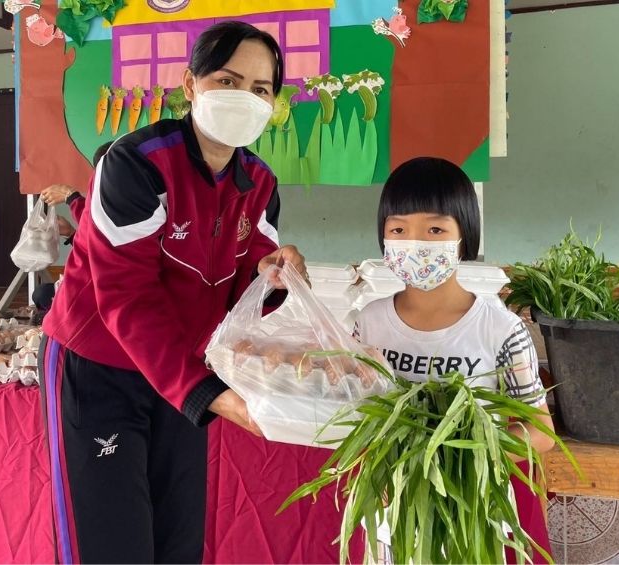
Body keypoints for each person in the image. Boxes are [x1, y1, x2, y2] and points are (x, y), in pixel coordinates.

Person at [38, 21, 307, 564]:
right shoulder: (137, 164)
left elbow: (246, 285)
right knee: (113, 548)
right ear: (190, 85)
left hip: (181, 370)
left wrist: (274, 278)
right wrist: (206, 393)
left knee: (178, 541)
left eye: (260, 89)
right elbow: (126, 297)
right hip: (100, 367)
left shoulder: (259, 183)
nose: (244, 98)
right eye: (227, 81)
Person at [353, 157, 555, 564]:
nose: (415, 244)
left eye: (434, 230)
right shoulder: (368, 323)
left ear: (465, 236)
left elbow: (541, 433)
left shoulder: (501, 329)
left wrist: (455, 455)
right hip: (391, 522)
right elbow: (356, 414)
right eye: (398, 230)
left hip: (474, 522)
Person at [31, 142, 113, 325]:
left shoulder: (131, 199)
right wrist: (71, 232)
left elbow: (99, 230)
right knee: (43, 293)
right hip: (98, 280)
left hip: (112, 288)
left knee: (51, 297)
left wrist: (71, 196)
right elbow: (95, 243)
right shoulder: (108, 195)